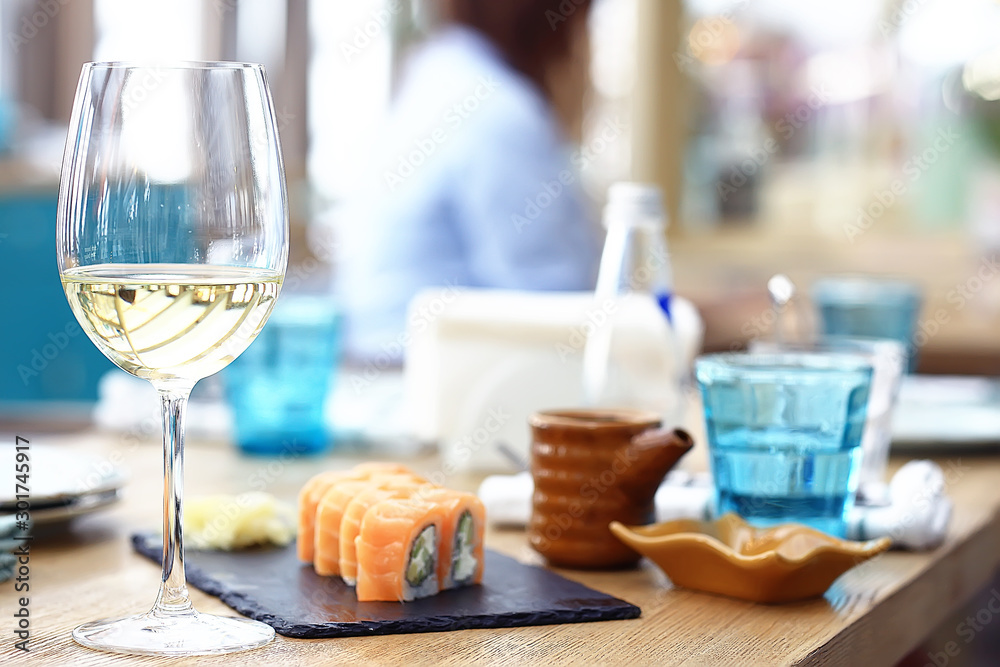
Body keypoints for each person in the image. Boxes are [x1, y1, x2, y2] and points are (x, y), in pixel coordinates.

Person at [336, 0, 603, 361]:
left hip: (378, 364)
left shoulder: (440, 74)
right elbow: (560, 311)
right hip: (425, 380)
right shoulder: (501, 113)